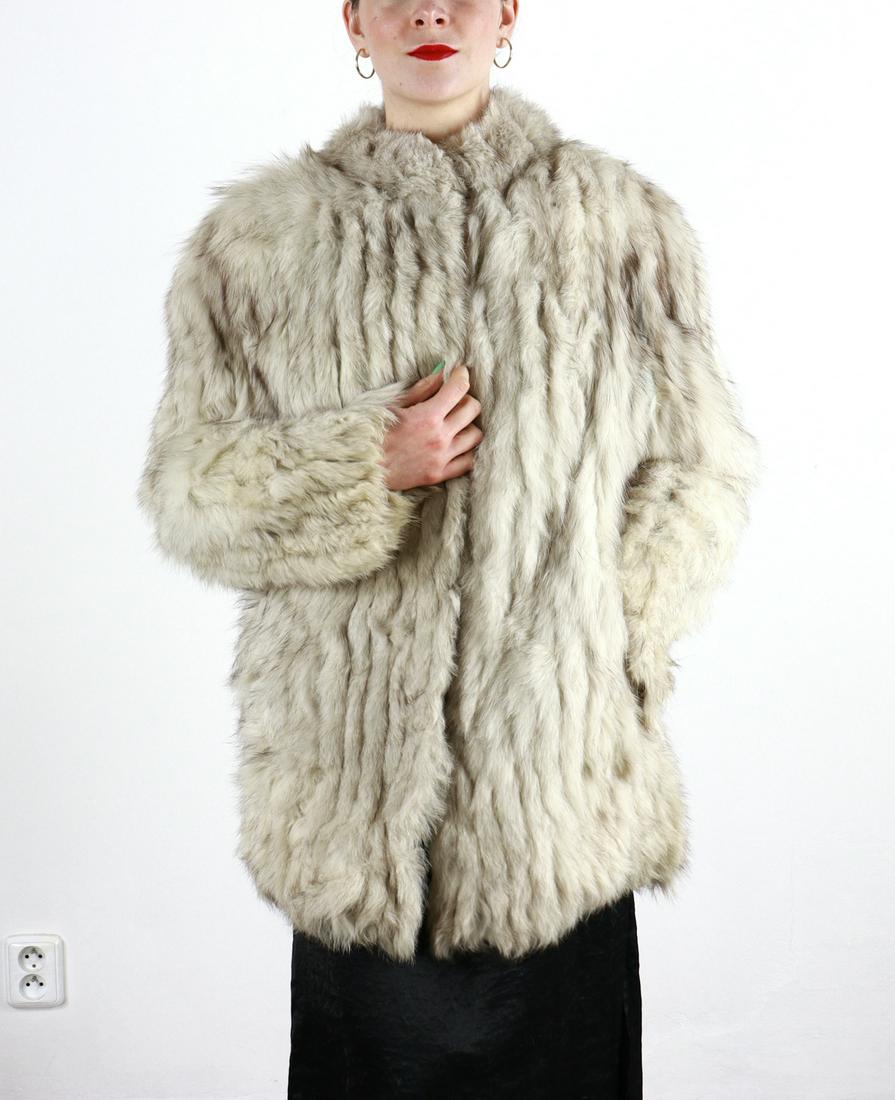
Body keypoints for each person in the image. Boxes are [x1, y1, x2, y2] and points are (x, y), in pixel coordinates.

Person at [136, 1, 761, 1096]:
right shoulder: (258, 241)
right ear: (354, 20)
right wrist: (363, 461)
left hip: (558, 805)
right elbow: (188, 489)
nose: (431, 10)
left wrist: (600, 651)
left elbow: (700, 470)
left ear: (508, 12)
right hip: (361, 809)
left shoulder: (618, 222)